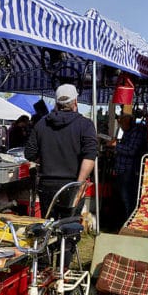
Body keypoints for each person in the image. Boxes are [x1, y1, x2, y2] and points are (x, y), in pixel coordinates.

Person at [25, 84, 98, 217]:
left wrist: (46, 159)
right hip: (73, 182)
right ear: (75, 101)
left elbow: (29, 153)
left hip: (47, 184)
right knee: (69, 228)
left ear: (56, 102)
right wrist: (80, 184)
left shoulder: (41, 123)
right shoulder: (85, 124)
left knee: (49, 227)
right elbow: (90, 156)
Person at [107, 112, 148, 222]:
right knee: (122, 196)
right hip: (123, 168)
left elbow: (131, 150)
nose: (120, 126)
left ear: (127, 122)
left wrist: (116, 145)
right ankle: (123, 220)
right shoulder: (128, 131)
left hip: (129, 169)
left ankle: (129, 221)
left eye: (121, 124)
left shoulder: (136, 132)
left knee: (128, 198)